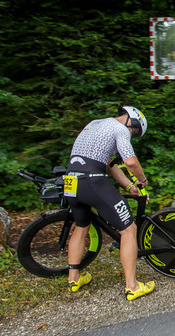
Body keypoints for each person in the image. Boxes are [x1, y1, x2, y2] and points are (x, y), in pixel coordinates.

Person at [63, 105, 155, 300]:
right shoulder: (120, 129)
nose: (133, 134)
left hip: (71, 181)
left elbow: (109, 164)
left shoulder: (94, 125)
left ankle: (74, 279)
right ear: (132, 120)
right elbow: (130, 162)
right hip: (92, 182)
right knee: (129, 230)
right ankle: (132, 286)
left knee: (81, 226)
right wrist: (142, 180)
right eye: (135, 130)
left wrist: (130, 186)